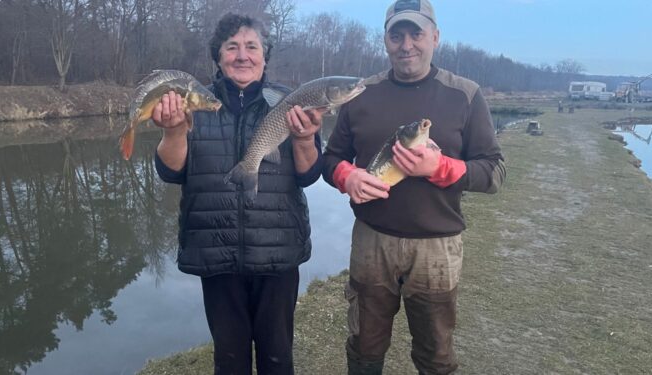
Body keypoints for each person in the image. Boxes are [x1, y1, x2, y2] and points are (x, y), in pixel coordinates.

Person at [322, 0, 506, 374]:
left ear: (435, 37)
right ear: (385, 40)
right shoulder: (361, 94)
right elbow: (330, 159)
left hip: (436, 246)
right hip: (372, 240)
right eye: (397, 35)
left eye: (416, 34)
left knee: (435, 354)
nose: (406, 44)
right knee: (363, 347)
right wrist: (347, 177)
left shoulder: (465, 94)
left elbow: (494, 171)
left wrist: (439, 167)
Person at [152, 13, 324, 375]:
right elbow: (171, 171)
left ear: (265, 56)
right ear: (218, 57)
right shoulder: (196, 103)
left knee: (278, 358)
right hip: (215, 254)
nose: (242, 55)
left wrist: (306, 138)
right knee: (229, 361)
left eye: (252, 47)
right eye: (232, 47)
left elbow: (309, 175)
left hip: (278, 254)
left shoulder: (291, 104)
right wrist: (173, 132)